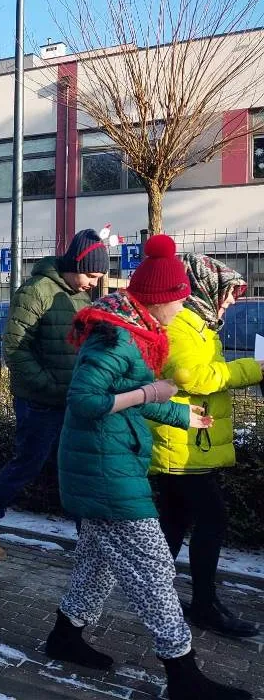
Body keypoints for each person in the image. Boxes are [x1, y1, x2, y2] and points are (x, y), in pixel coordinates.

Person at [45, 234, 250, 700]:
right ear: (158, 299)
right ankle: (183, 674)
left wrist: (180, 413)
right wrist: (150, 393)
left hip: (108, 460)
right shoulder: (116, 337)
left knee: (97, 563)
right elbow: (85, 401)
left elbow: (131, 396)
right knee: (156, 566)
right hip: (104, 470)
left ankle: (65, 635)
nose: (183, 308)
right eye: (179, 300)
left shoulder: (135, 329)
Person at [0, 229, 109, 560]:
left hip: (72, 400)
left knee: (74, 467)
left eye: (98, 278)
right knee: (27, 464)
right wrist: (48, 385)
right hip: (38, 402)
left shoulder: (80, 297)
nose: (93, 283)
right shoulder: (35, 291)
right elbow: (15, 348)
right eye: (91, 276)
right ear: (75, 264)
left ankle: (90, 543)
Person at [148, 255, 263, 639]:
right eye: (227, 293)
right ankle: (203, 604)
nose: (231, 301)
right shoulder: (182, 323)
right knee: (211, 518)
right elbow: (190, 375)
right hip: (181, 444)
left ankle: (157, 594)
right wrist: (254, 369)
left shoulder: (201, 325)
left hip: (189, 441)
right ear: (204, 289)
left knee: (175, 521)